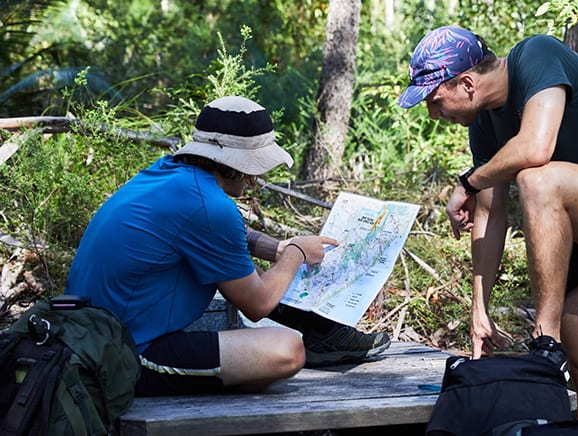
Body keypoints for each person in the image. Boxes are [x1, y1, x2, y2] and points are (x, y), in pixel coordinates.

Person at [398, 26, 578, 435]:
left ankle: (545, 342)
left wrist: (468, 181)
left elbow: (536, 147)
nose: (434, 114)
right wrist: (479, 310)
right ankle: (558, 358)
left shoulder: (537, 55)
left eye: (435, 101)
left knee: (537, 179)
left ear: (467, 83)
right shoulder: (484, 124)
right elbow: (490, 216)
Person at [65, 96, 391, 396]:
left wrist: (274, 248)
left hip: (89, 337)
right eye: (252, 169)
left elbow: (217, 234)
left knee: (254, 283)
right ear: (232, 163)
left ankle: (323, 339)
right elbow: (258, 304)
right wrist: (296, 253)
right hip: (123, 355)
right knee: (286, 352)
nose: (254, 180)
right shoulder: (210, 206)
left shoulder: (169, 175)